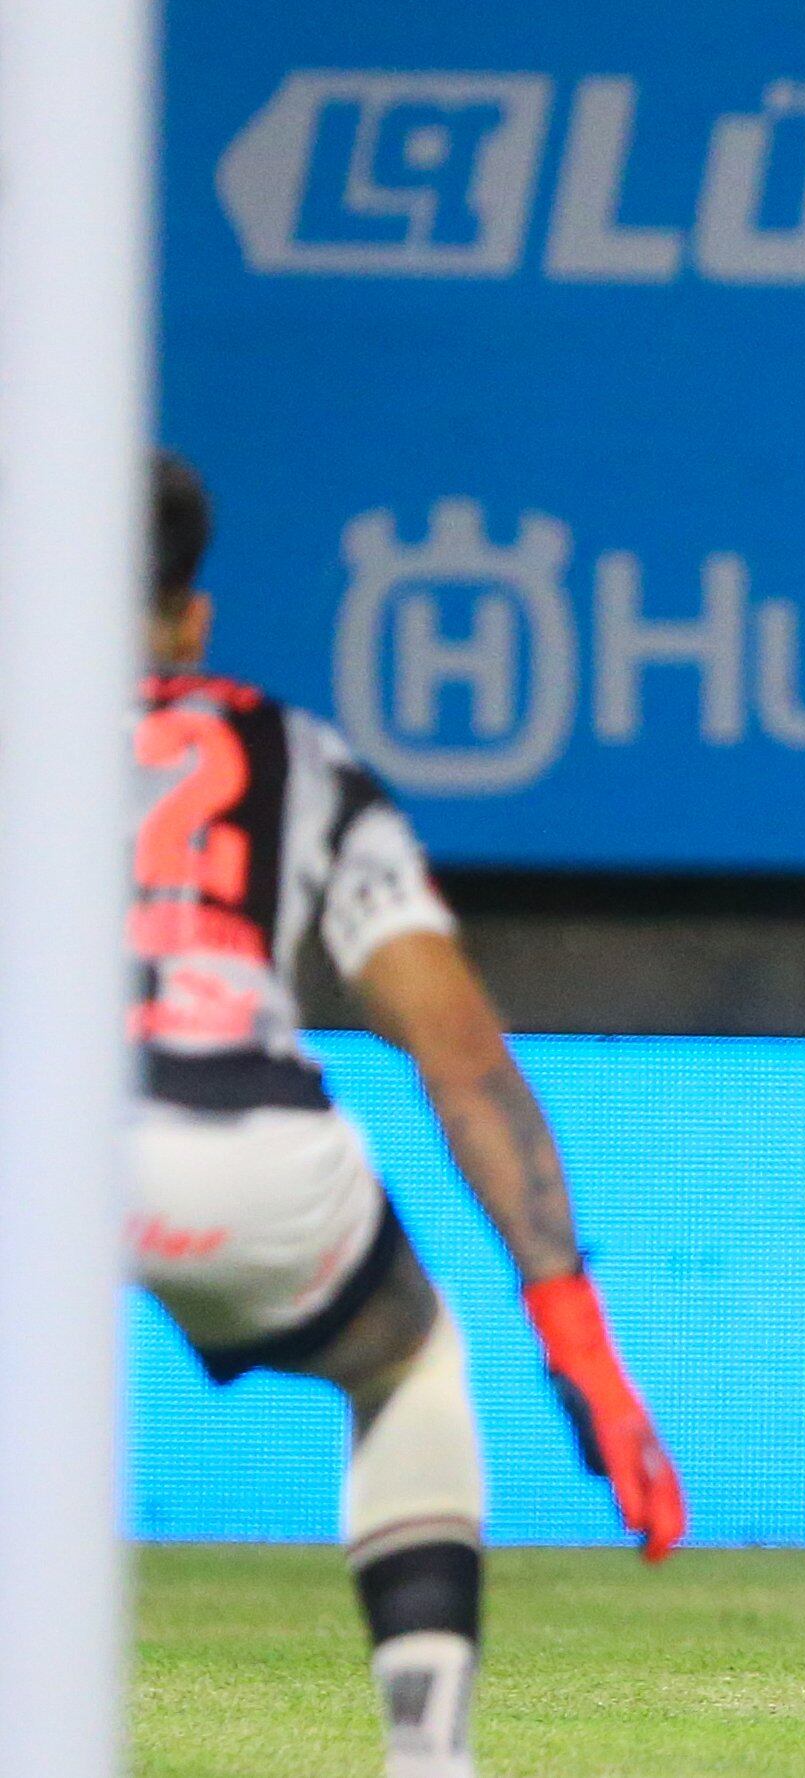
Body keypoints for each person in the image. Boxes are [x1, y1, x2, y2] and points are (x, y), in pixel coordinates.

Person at [130, 454, 686, 1775]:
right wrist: (577, 1337)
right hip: (242, 1150)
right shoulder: (297, 758)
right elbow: (459, 1049)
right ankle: (428, 1751)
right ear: (194, 618)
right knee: (408, 1361)